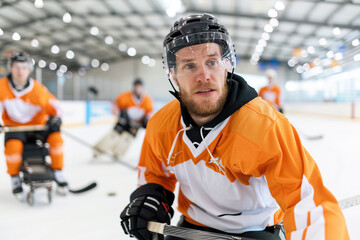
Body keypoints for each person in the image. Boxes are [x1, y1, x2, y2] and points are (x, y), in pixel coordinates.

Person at [120, 13, 349, 240]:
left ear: (227, 66)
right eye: (189, 66)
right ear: (174, 75)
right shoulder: (161, 125)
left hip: (256, 229)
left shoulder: (265, 127)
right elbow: (156, 174)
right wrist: (151, 196)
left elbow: (308, 205)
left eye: (212, 62)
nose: (203, 76)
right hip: (192, 228)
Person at [0, 52, 67, 194]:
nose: (20, 71)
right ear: (10, 68)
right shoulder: (1, 87)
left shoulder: (39, 89)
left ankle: (58, 172)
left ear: (29, 69)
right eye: (17, 67)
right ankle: (15, 178)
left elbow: (56, 107)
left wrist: (56, 119)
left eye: (24, 67)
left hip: (39, 125)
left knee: (57, 139)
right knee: (13, 148)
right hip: (15, 127)